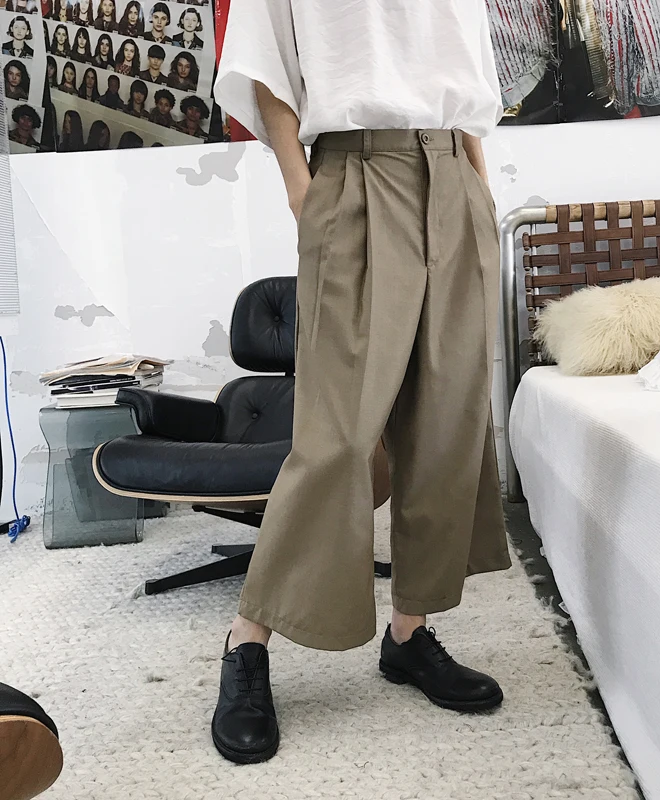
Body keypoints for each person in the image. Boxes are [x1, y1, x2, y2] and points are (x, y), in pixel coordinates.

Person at [210, 0, 509, 766]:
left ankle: (409, 634)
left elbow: (463, 80)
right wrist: (301, 188)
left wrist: (480, 189)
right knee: (338, 437)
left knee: (446, 420)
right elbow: (265, 63)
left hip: (455, 175)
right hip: (355, 172)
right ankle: (248, 640)